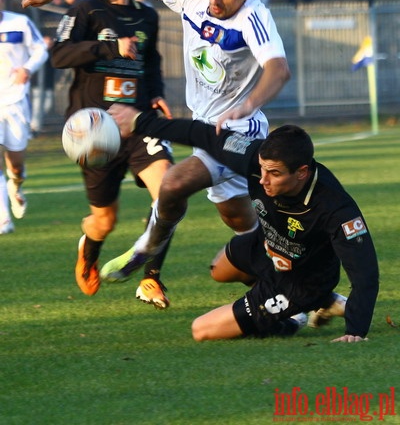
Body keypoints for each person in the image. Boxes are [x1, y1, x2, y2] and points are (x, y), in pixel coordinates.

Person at [22, 0, 291, 306]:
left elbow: (278, 69)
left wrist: (246, 105)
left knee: (173, 183)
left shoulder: (255, 18)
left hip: (238, 131)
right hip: (200, 129)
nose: (215, 0)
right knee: (240, 221)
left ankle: (145, 252)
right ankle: (298, 290)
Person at [108, 107, 380, 343]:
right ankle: (328, 302)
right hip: (266, 248)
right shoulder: (253, 157)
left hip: (301, 282)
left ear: (302, 173)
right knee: (219, 271)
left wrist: (355, 331)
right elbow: (200, 134)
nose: (263, 180)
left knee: (201, 330)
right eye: (262, 169)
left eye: (274, 174)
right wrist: (139, 122)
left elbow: (365, 274)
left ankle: (292, 319)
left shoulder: (336, 209)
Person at [48, 0, 174, 306]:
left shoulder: (147, 15)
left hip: (137, 122)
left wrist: (155, 91)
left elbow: (150, 61)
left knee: (169, 191)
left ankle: (150, 278)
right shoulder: (85, 8)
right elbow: (59, 54)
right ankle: (89, 247)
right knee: (104, 221)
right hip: (95, 131)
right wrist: (108, 47)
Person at [0, 0, 48, 234]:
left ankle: (15, 185)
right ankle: (3, 217)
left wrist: (27, 68)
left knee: (15, 163)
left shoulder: (19, 23)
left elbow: (41, 49)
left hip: (16, 100)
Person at [30, 35, 55, 135]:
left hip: (48, 84)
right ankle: (34, 128)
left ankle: (36, 124)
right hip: (37, 84)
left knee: (47, 105)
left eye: (49, 43)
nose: (47, 44)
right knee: (36, 106)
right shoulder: (37, 52)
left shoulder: (51, 54)